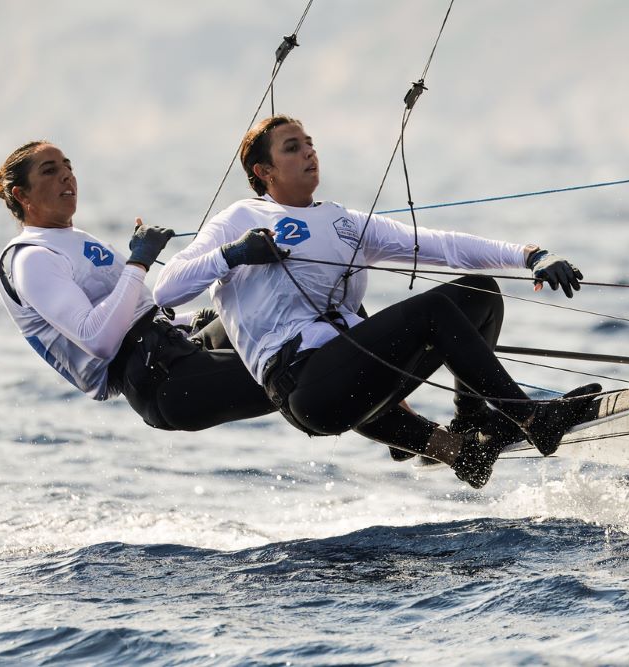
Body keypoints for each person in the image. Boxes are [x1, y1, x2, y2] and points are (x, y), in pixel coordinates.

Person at [152, 115, 601, 488]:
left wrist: (530, 256)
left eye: (310, 143)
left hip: (351, 368)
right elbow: (167, 289)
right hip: (303, 385)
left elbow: (439, 245)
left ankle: (470, 424)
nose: (309, 152)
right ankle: (532, 419)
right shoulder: (241, 218)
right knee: (433, 312)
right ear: (264, 172)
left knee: (479, 292)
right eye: (292, 147)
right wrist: (233, 254)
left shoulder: (341, 220)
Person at [0, 140, 499, 466]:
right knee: (308, 368)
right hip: (160, 382)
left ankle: (408, 430)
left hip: (176, 343)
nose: (67, 177)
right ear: (20, 193)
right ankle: (440, 444)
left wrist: (197, 313)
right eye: (51, 171)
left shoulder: (70, 239)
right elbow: (99, 339)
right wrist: (139, 263)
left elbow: (143, 311)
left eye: (69, 166)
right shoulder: (31, 259)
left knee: (311, 319)